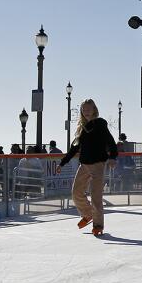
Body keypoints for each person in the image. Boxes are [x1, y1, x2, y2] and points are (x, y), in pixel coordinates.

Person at [56, 99, 117, 237]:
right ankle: (88, 214)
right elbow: (74, 149)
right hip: (84, 165)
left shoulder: (100, 124)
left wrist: (113, 157)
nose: (86, 111)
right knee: (76, 193)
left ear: (94, 109)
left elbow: (110, 142)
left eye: (89, 109)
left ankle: (98, 225)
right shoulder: (81, 128)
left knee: (96, 197)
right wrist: (62, 163)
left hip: (98, 165)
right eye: (84, 109)